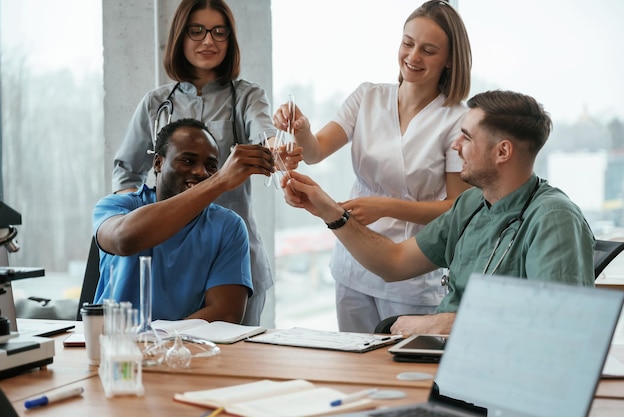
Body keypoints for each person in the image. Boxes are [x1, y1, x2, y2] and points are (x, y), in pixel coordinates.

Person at [281, 89, 596, 336]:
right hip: (444, 353)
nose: (456, 145)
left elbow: (559, 327)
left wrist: (445, 325)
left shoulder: (553, 218)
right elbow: (393, 263)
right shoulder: (471, 205)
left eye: (467, 137)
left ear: (503, 151)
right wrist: (329, 212)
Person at [273, 0, 472, 332]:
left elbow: (456, 209)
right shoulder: (368, 97)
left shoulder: (457, 119)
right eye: (407, 43)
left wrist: (386, 207)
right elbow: (315, 152)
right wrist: (303, 129)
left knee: (403, 373)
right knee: (352, 369)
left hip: (413, 274)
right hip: (352, 261)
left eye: (428, 50)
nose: (413, 56)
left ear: (450, 59)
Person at [111, 0, 300, 325]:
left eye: (219, 32)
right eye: (196, 31)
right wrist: (136, 224)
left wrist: (277, 148)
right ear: (180, 37)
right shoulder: (156, 103)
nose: (208, 41)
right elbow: (126, 171)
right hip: (166, 259)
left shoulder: (245, 96)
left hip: (231, 256)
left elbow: (263, 130)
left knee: (233, 362)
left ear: (230, 40)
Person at [94, 118, 275, 322]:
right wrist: (220, 180)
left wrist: (162, 343)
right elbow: (124, 240)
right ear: (158, 163)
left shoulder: (228, 226)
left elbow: (226, 313)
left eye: (211, 166)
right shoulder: (116, 206)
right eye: (188, 161)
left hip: (185, 349)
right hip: (116, 347)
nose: (201, 172)